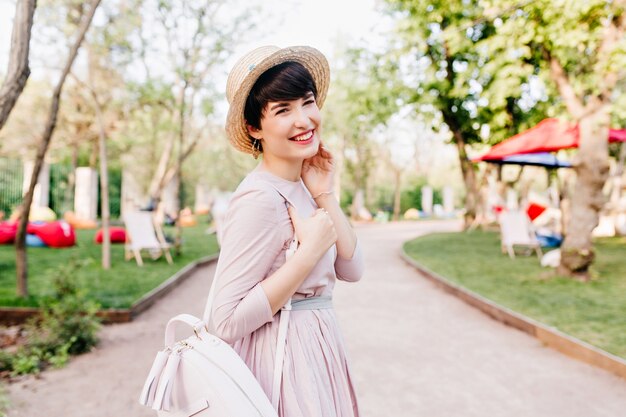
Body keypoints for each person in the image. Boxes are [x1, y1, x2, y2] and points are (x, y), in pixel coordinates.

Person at [208, 46, 364, 417]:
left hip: (317, 347)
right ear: (253, 128)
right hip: (283, 360)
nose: (304, 120)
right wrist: (307, 254)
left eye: (307, 102)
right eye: (282, 110)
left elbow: (353, 269)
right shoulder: (259, 198)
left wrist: (324, 193)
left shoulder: (305, 186)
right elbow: (224, 321)